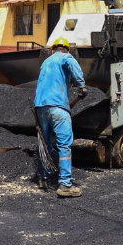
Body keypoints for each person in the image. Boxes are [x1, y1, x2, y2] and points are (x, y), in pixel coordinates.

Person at [33, 37, 87, 197]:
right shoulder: (66, 57)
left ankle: (43, 177)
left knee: (45, 143)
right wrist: (82, 86)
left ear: (52, 50)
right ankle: (65, 184)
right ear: (67, 50)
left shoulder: (46, 62)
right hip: (58, 107)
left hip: (40, 107)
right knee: (64, 145)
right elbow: (72, 65)